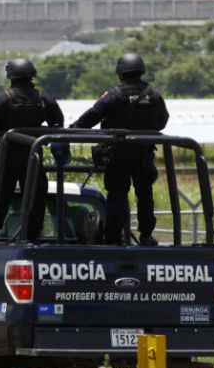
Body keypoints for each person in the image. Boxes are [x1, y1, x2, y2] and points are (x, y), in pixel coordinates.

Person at [70, 53, 169, 246]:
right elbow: (162, 121)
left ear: (121, 73)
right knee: (145, 194)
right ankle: (146, 236)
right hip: (143, 154)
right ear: (141, 71)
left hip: (118, 155)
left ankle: (114, 239)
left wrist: (72, 131)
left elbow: (92, 116)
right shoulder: (154, 95)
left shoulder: (114, 95)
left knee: (117, 197)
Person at [0, 58, 64, 242]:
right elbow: (58, 125)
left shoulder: (0, 99)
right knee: (35, 201)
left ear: (10, 75)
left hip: (6, 159)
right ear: (31, 75)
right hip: (33, 157)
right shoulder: (45, 99)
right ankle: (31, 240)